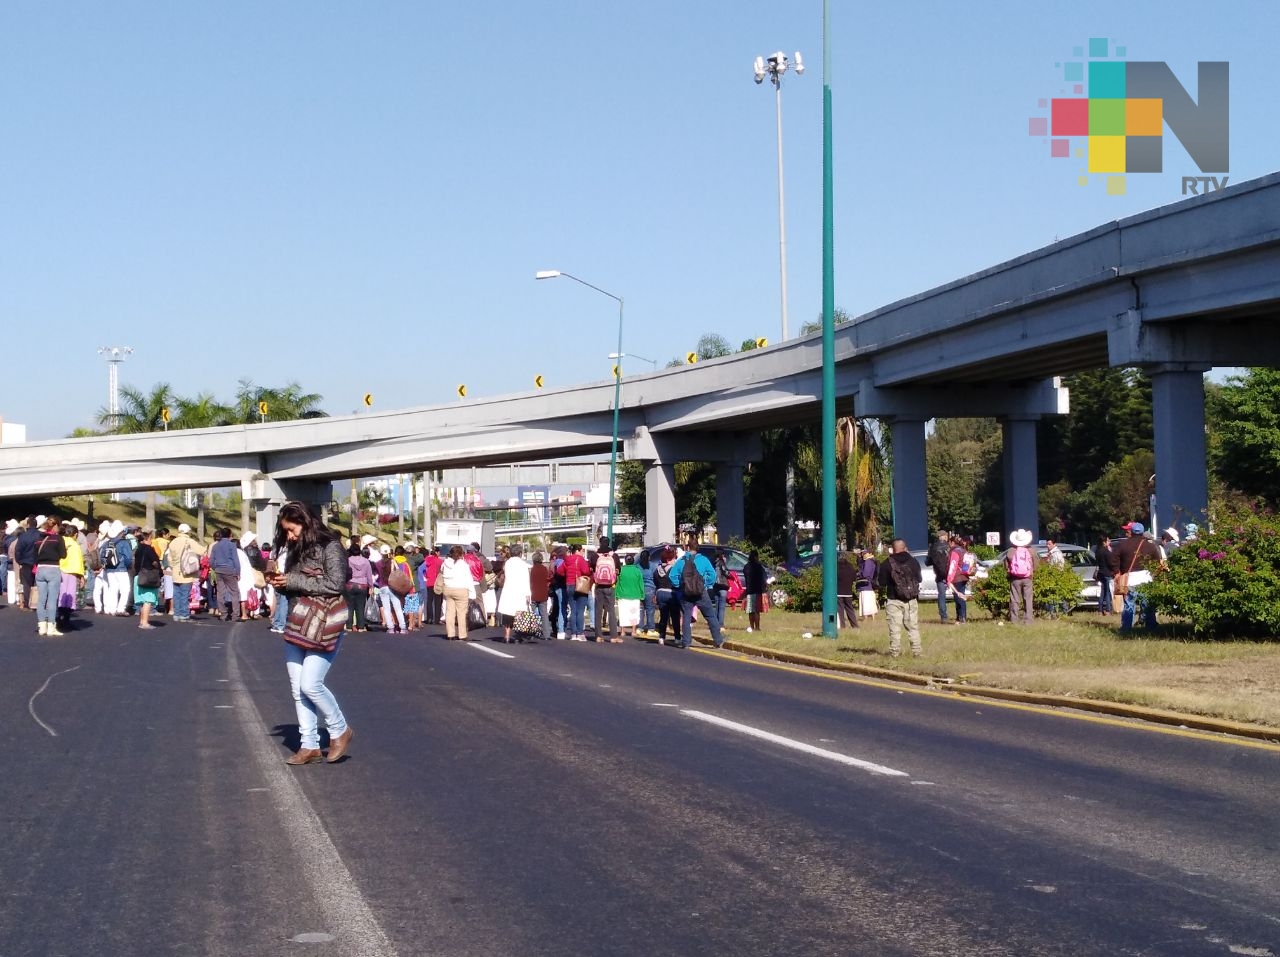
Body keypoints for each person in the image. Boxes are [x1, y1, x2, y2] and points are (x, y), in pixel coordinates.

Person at [265, 502, 353, 766]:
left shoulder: (331, 547)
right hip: (297, 622)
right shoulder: (295, 549)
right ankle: (309, 744)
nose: (290, 536)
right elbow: (296, 589)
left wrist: (292, 581)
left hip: (325, 624)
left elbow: (335, 584)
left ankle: (340, 729)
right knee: (297, 688)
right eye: (287, 532)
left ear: (306, 522)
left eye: (292, 530)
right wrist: (280, 583)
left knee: (310, 684)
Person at [672, 542, 725, 649]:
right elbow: (712, 575)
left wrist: (680, 585)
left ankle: (686, 642)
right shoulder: (703, 560)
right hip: (701, 592)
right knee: (710, 616)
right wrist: (706, 584)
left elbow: (672, 575)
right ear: (698, 549)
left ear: (688, 548)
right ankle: (718, 640)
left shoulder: (681, 561)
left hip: (686, 593)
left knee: (686, 617)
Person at [877, 538, 922, 658]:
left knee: (894, 628)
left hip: (894, 600)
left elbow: (881, 582)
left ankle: (895, 653)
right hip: (911, 600)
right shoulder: (913, 561)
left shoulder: (887, 563)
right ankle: (917, 652)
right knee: (913, 627)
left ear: (893, 549)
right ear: (905, 547)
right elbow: (919, 579)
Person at [1114, 521, 1162, 632]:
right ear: (1143, 533)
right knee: (1148, 605)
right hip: (1146, 579)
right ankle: (1151, 626)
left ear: (1131, 532)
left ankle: (1126, 628)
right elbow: (1158, 562)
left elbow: (1114, 559)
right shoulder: (1151, 546)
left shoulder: (1122, 545)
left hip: (1129, 579)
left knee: (1129, 605)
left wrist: (1118, 571)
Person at [33, 517, 67, 636]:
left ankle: (42, 626)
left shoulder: (38, 539)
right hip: (53, 569)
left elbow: (34, 556)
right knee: (52, 600)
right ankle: (51, 627)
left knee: (41, 599)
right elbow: (63, 555)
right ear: (56, 525)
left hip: (40, 569)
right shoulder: (58, 538)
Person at [167, 523, 204, 622]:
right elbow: (201, 551)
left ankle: (177, 613)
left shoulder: (173, 542)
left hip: (175, 572)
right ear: (188, 531)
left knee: (177, 594)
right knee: (185, 594)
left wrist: (174, 565)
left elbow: (169, 557)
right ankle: (184, 614)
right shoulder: (189, 541)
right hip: (187, 572)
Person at [497, 542, 532, 643]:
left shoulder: (507, 563)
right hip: (520, 591)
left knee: (508, 615)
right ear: (520, 553)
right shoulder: (523, 564)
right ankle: (517, 636)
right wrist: (528, 594)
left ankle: (507, 636)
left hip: (508, 590)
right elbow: (526, 580)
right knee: (519, 614)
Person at [440, 544, 475, 640]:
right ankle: (462, 634)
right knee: (461, 613)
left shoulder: (445, 563)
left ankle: (450, 634)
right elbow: (468, 579)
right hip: (461, 589)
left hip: (448, 589)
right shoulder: (463, 565)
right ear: (461, 554)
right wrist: (472, 593)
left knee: (449, 612)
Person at [99, 520, 134, 616]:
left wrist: (105, 565)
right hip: (121, 568)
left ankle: (111, 609)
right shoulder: (124, 542)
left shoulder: (107, 543)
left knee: (113, 588)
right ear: (121, 532)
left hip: (109, 568)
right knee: (125, 589)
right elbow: (128, 558)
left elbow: (101, 556)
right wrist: (128, 566)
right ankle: (121, 608)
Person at [57, 521, 85, 632]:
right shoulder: (75, 545)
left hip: (60, 570)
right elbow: (78, 561)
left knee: (60, 595)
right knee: (69, 596)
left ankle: (58, 618)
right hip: (72, 572)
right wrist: (81, 576)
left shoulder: (61, 541)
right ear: (75, 534)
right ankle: (66, 620)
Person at [209, 528, 242, 622]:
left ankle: (223, 614)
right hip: (230, 570)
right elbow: (236, 559)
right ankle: (235, 615)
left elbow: (211, 560)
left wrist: (215, 567)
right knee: (234, 592)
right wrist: (238, 572)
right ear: (230, 534)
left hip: (219, 570)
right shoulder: (232, 545)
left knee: (220, 592)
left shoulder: (216, 546)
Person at [1005, 529, 1038, 624]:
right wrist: (1031, 572)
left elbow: (1006, 566)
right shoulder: (1031, 551)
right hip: (1027, 578)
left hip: (1014, 578)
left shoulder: (1011, 551)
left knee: (1014, 599)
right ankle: (1028, 620)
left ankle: (1014, 619)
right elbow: (1036, 564)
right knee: (1028, 599)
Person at [132, 529, 163, 630]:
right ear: (149, 537)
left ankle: (142, 621)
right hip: (148, 577)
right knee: (148, 600)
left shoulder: (139, 549)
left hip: (138, 576)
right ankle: (145, 622)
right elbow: (155, 562)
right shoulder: (149, 549)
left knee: (142, 601)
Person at [591, 540, 621, 643]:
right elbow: (618, 569)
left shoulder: (595, 556)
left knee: (598, 610)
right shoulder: (614, 555)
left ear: (600, 543)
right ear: (608, 543)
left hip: (599, 586)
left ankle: (598, 636)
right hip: (610, 585)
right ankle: (613, 636)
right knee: (611, 610)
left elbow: (591, 568)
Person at [561, 544, 591, 641]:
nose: (583, 552)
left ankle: (573, 633)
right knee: (580, 611)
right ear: (578, 550)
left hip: (569, 585)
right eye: (582, 550)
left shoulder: (567, 560)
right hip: (580, 585)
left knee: (573, 611)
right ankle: (580, 633)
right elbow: (585, 571)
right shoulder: (581, 559)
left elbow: (560, 571)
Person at [653, 546, 681, 645]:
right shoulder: (674, 569)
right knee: (675, 616)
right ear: (669, 559)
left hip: (660, 593)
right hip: (671, 594)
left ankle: (661, 637)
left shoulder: (657, 570)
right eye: (674, 558)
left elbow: (655, 582)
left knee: (663, 616)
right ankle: (677, 637)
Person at [945, 536, 975, 625]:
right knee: (960, 596)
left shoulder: (954, 551)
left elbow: (953, 565)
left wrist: (949, 579)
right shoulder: (963, 550)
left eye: (949, 542)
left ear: (952, 543)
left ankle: (962, 618)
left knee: (959, 598)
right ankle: (960, 618)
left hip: (957, 577)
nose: (948, 544)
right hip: (964, 576)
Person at [345, 541, 374, 632]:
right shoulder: (366, 561)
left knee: (349, 606)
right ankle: (361, 626)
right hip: (362, 585)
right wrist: (371, 586)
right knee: (361, 606)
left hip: (350, 584)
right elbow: (369, 574)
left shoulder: (348, 560)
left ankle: (349, 626)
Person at [616, 552, 644, 639]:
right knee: (634, 613)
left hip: (622, 595)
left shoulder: (621, 570)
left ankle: (622, 631)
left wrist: (616, 594)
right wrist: (642, 595)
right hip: (635, 595)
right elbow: (641, 584)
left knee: (623, 613)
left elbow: (617, 583)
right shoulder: (637, 571)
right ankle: (633, 631)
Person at [927, 530, 951, 622]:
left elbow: (927, 562)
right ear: (944, 536)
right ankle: (961, 615)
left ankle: (943, 616)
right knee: (957, 594)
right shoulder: (949, 546)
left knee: (941, 596)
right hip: (951, 574)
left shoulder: (933, 547)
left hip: (940, 575)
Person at [742, 549, 768, 633]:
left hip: (749, 591)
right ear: (756, 557)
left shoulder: (746, 567)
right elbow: (765, 578)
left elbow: (746, 578)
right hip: (758, 591)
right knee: (756, 610)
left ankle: (751, 627)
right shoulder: (759, 567)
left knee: (750, 610)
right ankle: (757, 627)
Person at [529, 551, 553, 640]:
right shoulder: (544, 569)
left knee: (532, 615)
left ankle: (531, 633)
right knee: (544, 615)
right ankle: (547, 635)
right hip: (543, 594)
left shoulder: (532, 569)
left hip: (533, 594)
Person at [835, 552, 859, 629]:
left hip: (839, 592)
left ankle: (842, 625)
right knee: (850, 609)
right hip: (848, 592)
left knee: (840, 609)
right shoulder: (850, 567)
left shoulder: (836, 567)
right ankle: (854, 625)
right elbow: (854, 578)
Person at [638, 549, 657, 637]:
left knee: (641, 610)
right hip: (650, 589)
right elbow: (656, 579)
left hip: (640, 590)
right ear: (649, 557)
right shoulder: (653, 566)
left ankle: (640, 628)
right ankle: (651, 629)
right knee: (650, 610)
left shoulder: (637, 567)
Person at [423, 545, 444, 625]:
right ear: (437, 552)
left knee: (429, 600)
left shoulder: (426, 560)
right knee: (438, 601)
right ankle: (437, 619)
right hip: (437, 583)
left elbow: (424, 570)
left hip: (429, 582)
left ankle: (429, 618)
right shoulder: (439, 561)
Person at [1094, 537, 1115, 615]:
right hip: (1107, 573)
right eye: (1108, 540)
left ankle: (1100, 609)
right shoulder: (1106, 551)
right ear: (1104, 542)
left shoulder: (1097, 551)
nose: (1109, 542)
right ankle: (1108, 610)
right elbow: (1111, 562)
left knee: (1103, 591)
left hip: (1100, 573)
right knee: (1108, 592)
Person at [857, 550, 880, 620]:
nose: (863, 555)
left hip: (865, 585)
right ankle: (872, 618)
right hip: (869, 585)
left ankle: (866, 619)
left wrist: (859, 574)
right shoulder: (872, 561)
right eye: (863, 553)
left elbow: (865, 574)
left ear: (870, 553)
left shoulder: (868, 562)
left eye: (865, 553)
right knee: (870, 602)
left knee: (865, 603)